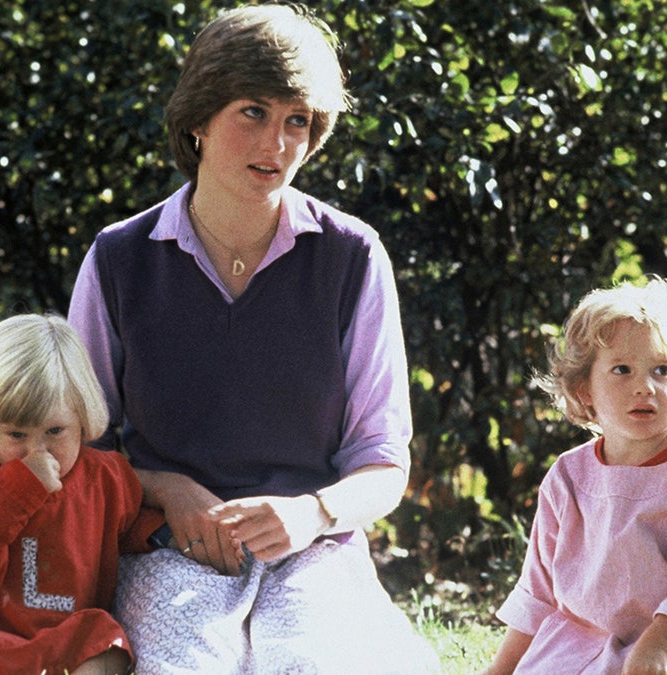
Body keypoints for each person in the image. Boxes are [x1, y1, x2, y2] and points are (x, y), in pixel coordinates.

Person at [67, 3, 439, 673]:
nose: (277, 144)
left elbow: (384, 457)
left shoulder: (353, 257)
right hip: (164, 549)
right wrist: (166, 489)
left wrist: (314, 512)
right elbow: (78, 447)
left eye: (298, 120)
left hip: (314, 550)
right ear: (198, 120)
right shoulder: (118, 259)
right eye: (253, 112)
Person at [481, 278, 667, 675]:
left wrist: (654, 648)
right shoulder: (568, 476)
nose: (644, 386)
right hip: (577, 649)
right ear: (585, 389)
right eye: (622, 370)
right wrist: (499, 671)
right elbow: (538, 593)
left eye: (661, 370)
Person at [0, 313, 163, 675]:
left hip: (56, 641)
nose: (36, 450)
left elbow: (129, 523)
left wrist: (162, 533)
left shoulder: (105, 476)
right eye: (16, 435)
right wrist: (21, 485)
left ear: (82, 419)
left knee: (105, 638)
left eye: (54, 431)